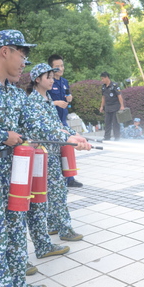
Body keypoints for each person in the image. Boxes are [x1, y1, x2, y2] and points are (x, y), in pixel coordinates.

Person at [0, 29, 90, 287]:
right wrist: (3, 136)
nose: (24, 61)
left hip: (11, 172)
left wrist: (68, 137)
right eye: (22, 54)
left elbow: (37, 124)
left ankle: (16, 286)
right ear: (5, 51)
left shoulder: (14, 94)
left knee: (14, 230)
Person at [27, 63, 87, 243]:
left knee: (53, 191)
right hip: (42, 154)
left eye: (53, 77)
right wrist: (69, 140)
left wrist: (73, 134)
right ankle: (65, 229)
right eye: (49, 77)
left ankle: (53, 224)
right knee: (58, 192)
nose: (53, 80)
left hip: (53, 153)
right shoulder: (33, 102)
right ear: (37, 80)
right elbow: (41, 130)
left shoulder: (46, 100)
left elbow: (57, 125)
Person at [47, 54, 82, 188]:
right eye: (57, 67)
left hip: (63, 119)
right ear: (51, 68)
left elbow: (67, 95)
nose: (60, 69)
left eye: (62, 66)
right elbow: (44, 100)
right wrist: (55, 102)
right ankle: (56, 179)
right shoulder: (48, 82)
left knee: (68, 146)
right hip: (52, 120)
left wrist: (69, 98)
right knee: (55, 150)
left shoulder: (64, 81)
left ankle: (70, 178)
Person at [99, 71, 124, 141]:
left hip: (115, 106)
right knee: (107, 122)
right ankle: (107, 137)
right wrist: (101, 106)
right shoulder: (103, 87)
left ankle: (117, 137)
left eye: (103, 78)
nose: (102, 80)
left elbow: (119, 95)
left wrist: (122, 106)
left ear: (107, 78)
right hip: (107, 107)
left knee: (115, 123)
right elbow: (103, 97)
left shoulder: (114, 85)